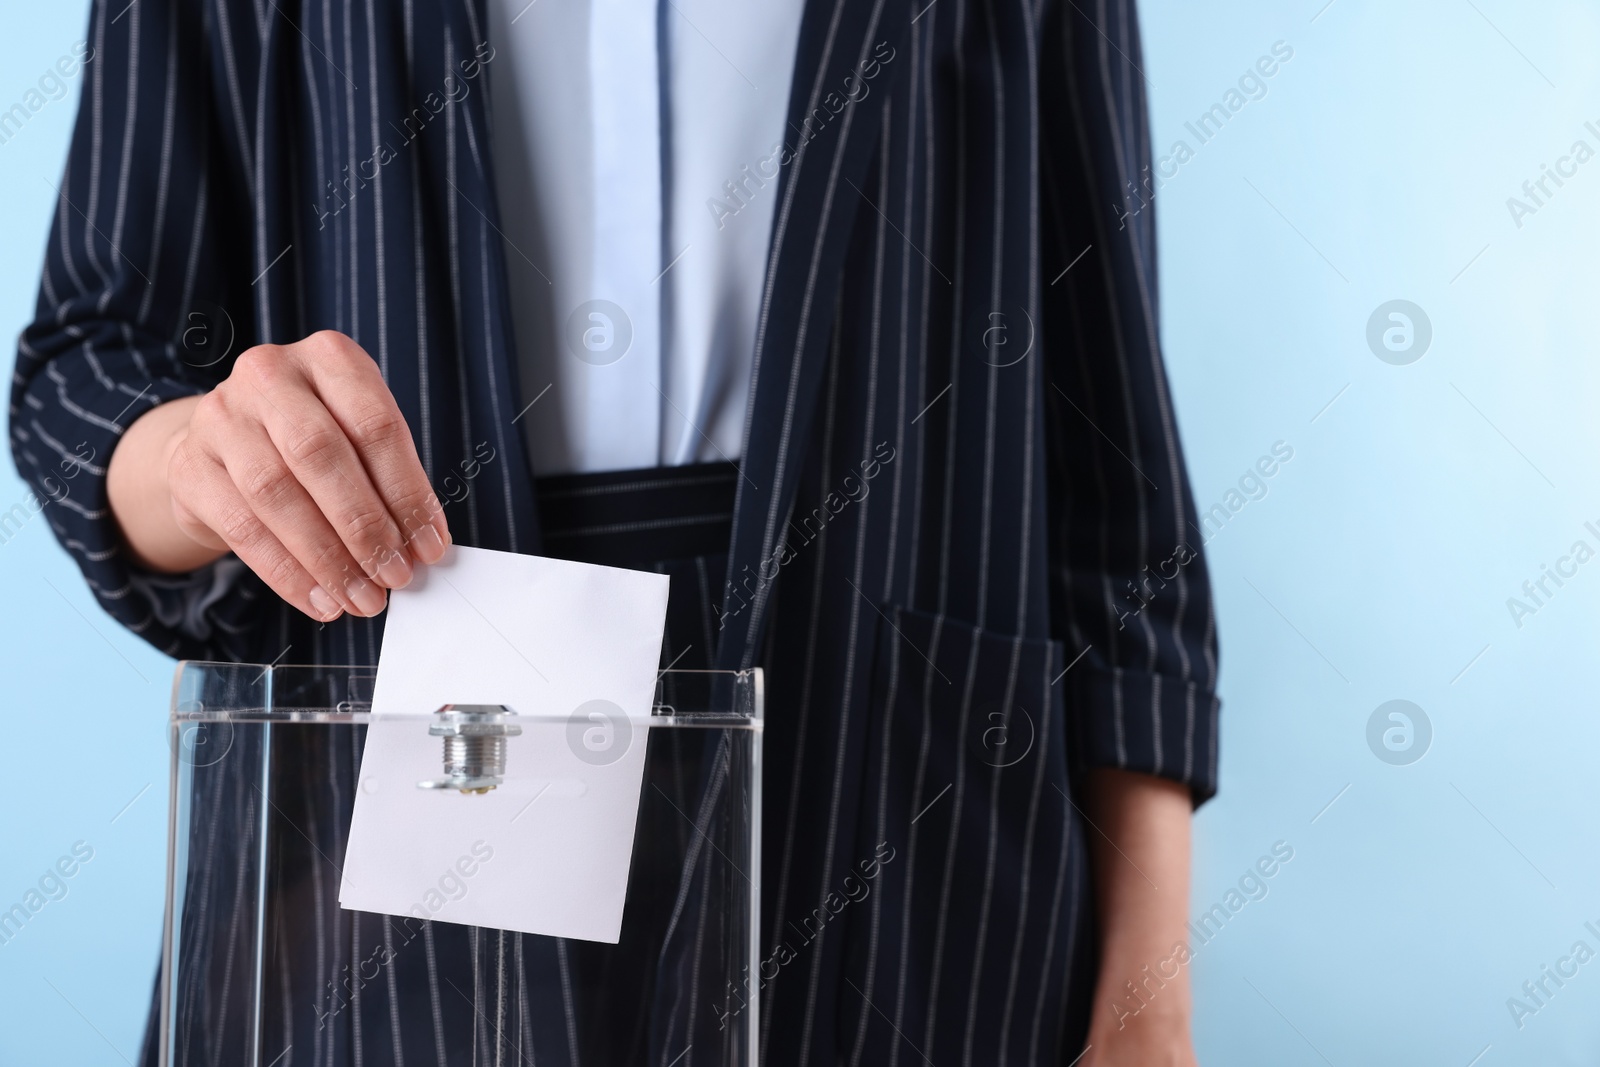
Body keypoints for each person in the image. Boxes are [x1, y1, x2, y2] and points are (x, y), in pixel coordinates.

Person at [11, 0, 1219, 1063]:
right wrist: (200, 457)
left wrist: (1148, 1002)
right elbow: (87, 358)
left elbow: (1109, 450)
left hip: (890, 772)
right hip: (388, 738)